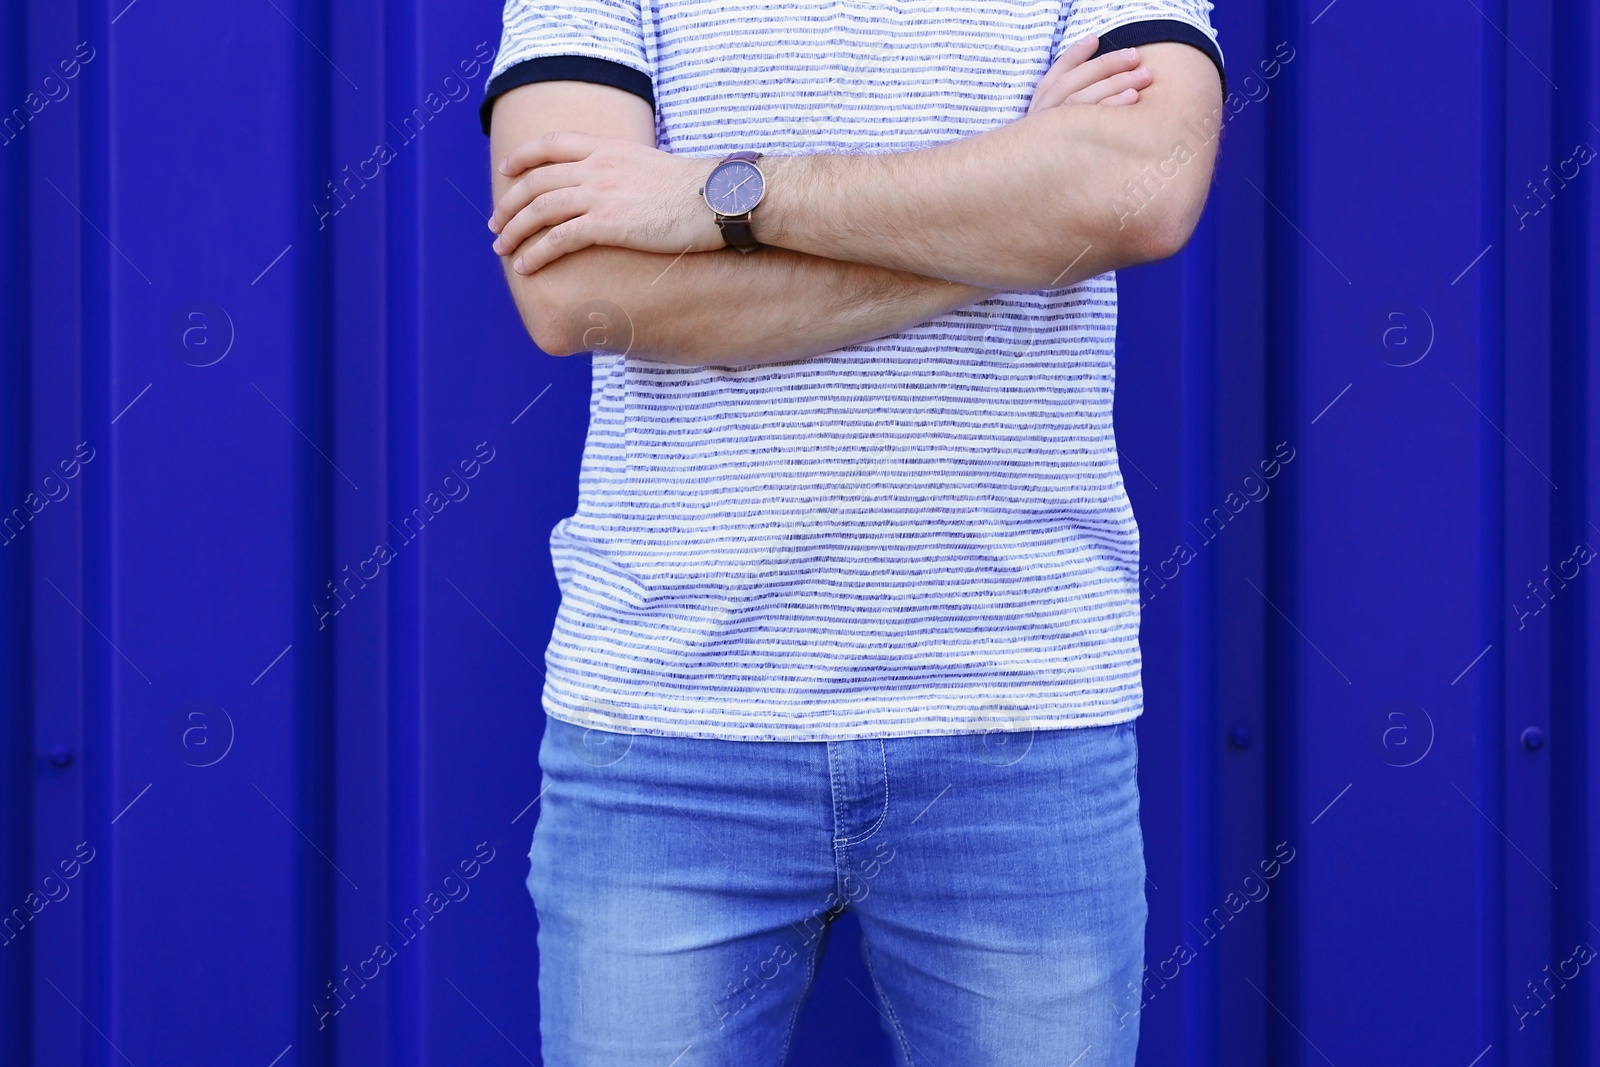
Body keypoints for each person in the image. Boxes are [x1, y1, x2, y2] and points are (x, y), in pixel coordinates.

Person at [479, 0, 1224, 1061]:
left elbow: (1137, 194)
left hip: (1017, 719)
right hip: (668, 727)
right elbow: (576, 292)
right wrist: (1013, 201)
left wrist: (725, 194)